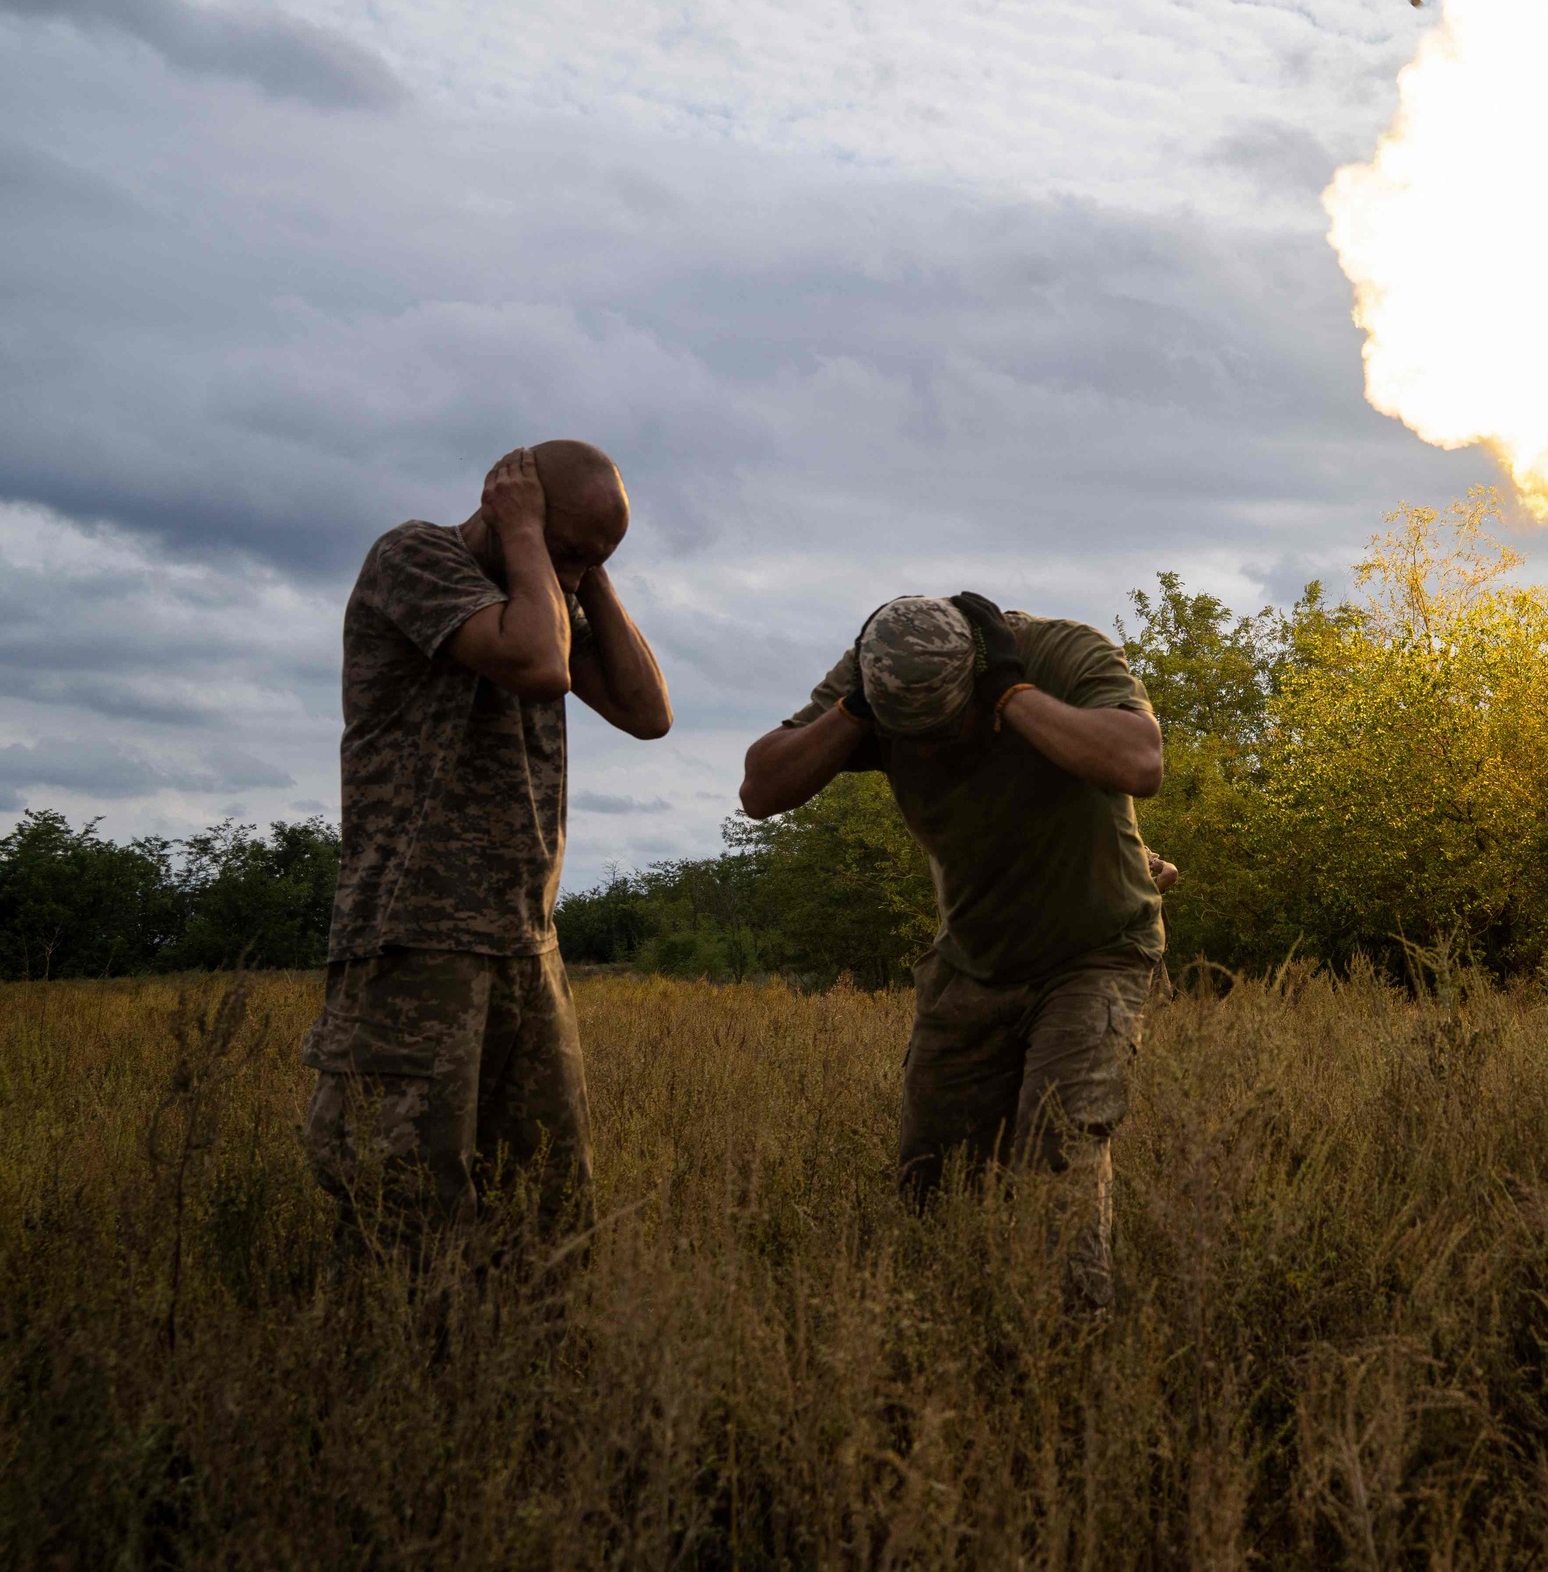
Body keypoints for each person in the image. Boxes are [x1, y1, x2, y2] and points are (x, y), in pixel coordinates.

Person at [737, 591, 1172, 1313]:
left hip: (1096, 950)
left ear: (978, 675)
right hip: (972, 962)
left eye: (948, 725)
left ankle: (1078, 1354)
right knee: (933, 1182)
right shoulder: (875, 674)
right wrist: (855, 714)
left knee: (1058, 1154)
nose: (932, 750)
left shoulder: (1062, 655)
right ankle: (952, 1343)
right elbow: (760, 788)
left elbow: (1140, 762)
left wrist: (1014, 697)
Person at [301, 442, 672, 1251]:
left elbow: (649, 713)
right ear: (513, 509)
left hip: (523, 945)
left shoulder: (547, 593)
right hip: (414, 942)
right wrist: (535, 540)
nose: (573, 573)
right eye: (569, 549)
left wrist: (587, 571)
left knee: (545, 1212)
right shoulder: (415, 558)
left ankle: (515, 1372)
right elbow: (536, 665)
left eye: (596, 557)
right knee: (400, 1218)